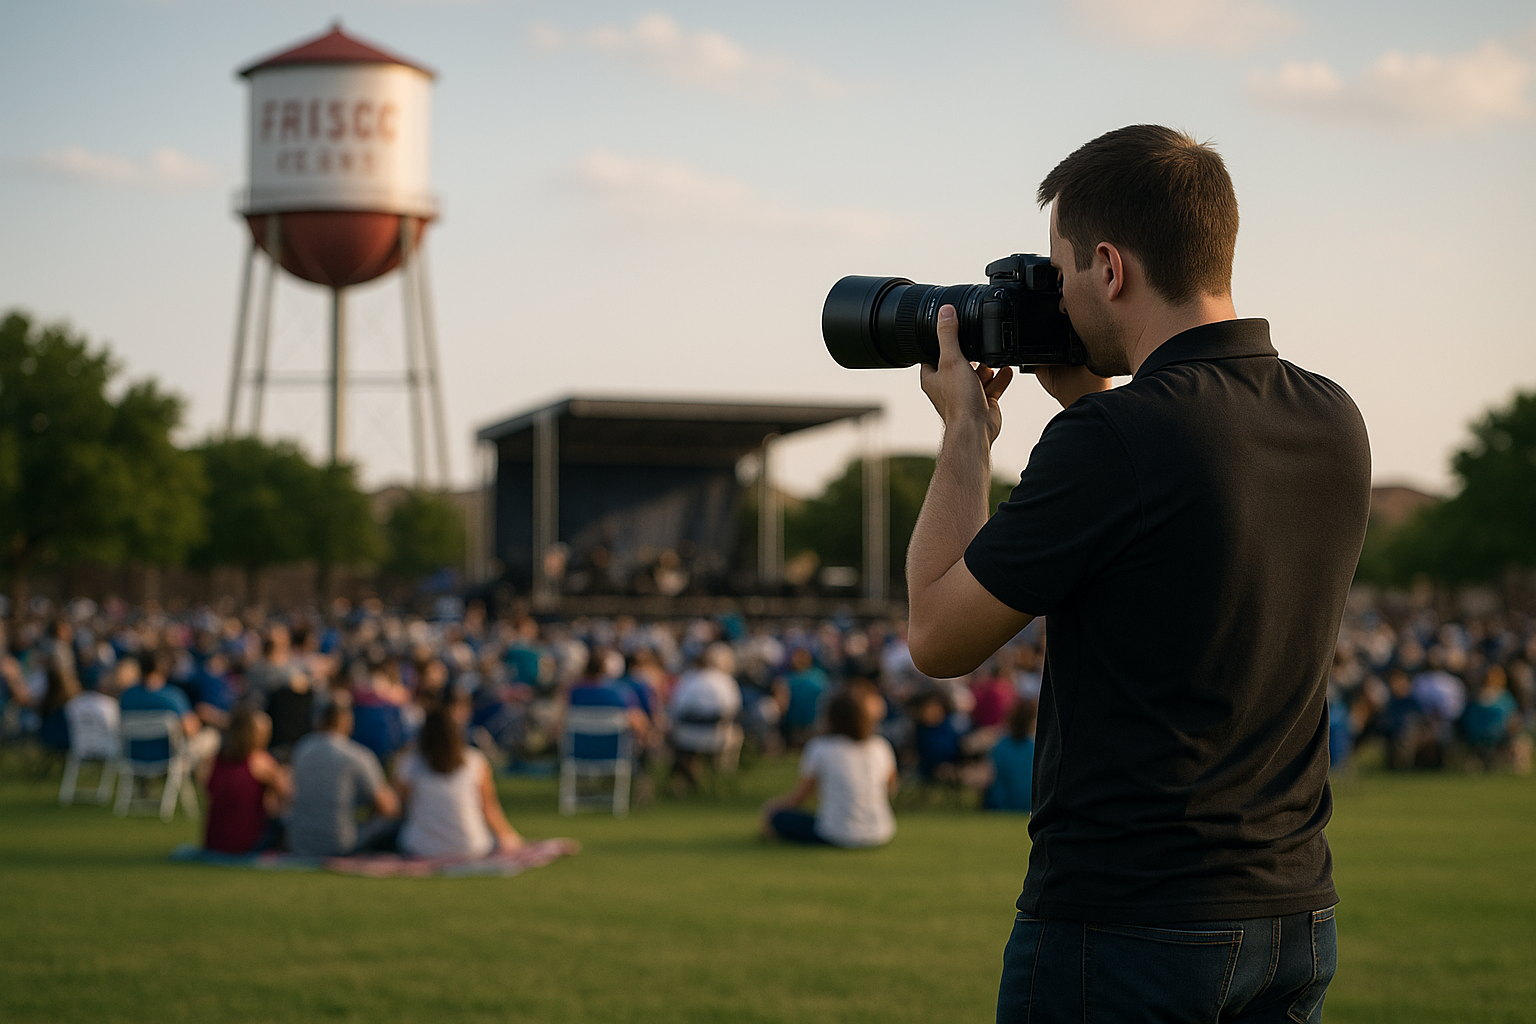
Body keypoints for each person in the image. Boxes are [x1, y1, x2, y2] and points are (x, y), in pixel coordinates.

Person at [903, 126, 1370, 1022]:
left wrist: (966, 432)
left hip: (1131, 921)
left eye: (1062, 273)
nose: (1060, 299)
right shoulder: (1330, 416)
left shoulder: (1114, 442)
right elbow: (1185, 512)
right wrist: (1091, 398)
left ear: (1110, 267)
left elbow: (936, 634)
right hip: (1291, 910)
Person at [760, 689, 897, 848]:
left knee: (778, 817)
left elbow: (801, 796)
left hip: (835, 833)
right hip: (880, 832)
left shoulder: (820, 748)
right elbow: (890, 788)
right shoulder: (880, 746)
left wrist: (773, 808)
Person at [395, 700, 522, 858]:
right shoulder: (475, 761)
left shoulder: (409, 764)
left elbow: (400, 806)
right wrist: (508, 835)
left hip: (421, 846)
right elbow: (489, 808)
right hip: (472, 846)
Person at [287, 694, 400, 857]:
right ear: (346, 721)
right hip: (341, 846)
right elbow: (388, 807)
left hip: (300, 842)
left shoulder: (302, 749)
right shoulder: (357, 755)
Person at [202, 705, 291, 854]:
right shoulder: (260, 761)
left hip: (214, 841)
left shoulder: (215, 761)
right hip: (247, 843)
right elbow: (287, 794)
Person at [983, 699, 1035, 813]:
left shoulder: (1000, 746)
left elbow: (989, 776)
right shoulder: (1035, 747)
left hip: (1001, 802)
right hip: (1029, 803)